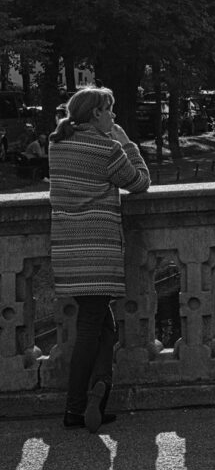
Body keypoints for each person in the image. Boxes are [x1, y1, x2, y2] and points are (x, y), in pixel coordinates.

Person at [48, 86, 150, 431]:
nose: (114, 116)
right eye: (110, 110)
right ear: (96, 114)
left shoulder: (57, 145)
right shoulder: (108, 149)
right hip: (98, 251)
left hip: (67, 250)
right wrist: (126, 142)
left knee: (103, 326)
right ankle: (76, 407)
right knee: (91, 328)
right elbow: (140, 182)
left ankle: (99, 390)